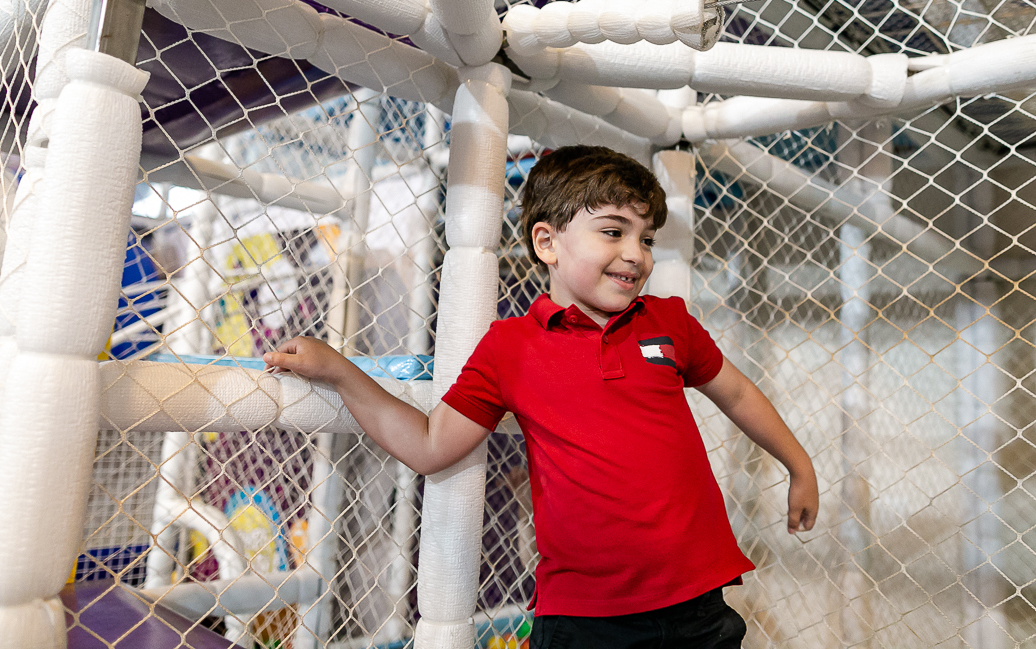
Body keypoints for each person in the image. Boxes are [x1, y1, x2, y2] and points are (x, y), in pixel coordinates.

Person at [265, 145, 819, 649]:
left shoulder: (668, 321)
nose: (636, 254)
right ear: (546, 242)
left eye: (646, 238)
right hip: (584, 617)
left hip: (696, 602)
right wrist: (341, 372)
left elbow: (739, 393)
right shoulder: (512, 346)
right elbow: (431, 444)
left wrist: (799, 465)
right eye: (613, 231)